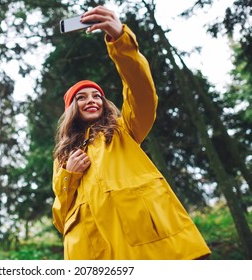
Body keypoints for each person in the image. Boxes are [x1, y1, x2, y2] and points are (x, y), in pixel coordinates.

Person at [52, 6, 211, 260]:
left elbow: (141, 92)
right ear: (71, 108)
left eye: (97, 96)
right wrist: (70, 175)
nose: (91, 100)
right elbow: (61, 218)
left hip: (149, 249)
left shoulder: (123, 129)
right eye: (81, 97)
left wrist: (120, 41)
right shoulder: (63, 157)